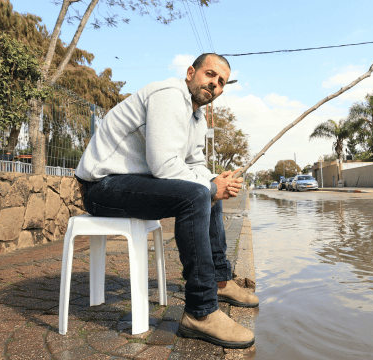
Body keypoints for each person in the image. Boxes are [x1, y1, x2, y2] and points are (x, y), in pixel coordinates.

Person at [74, 53, 258, 349]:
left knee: (207, 189)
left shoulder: (196, 117)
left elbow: (194, 165)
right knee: (200, 193)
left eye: (221, 81)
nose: (214, 83)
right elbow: (163, 165)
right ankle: (200, 312)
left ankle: (221, 280)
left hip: (131, 182)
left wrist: (216, 180)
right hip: (101, 185)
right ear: (190, 73)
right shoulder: (170, 95)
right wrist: (210, 186)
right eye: (210, 74)